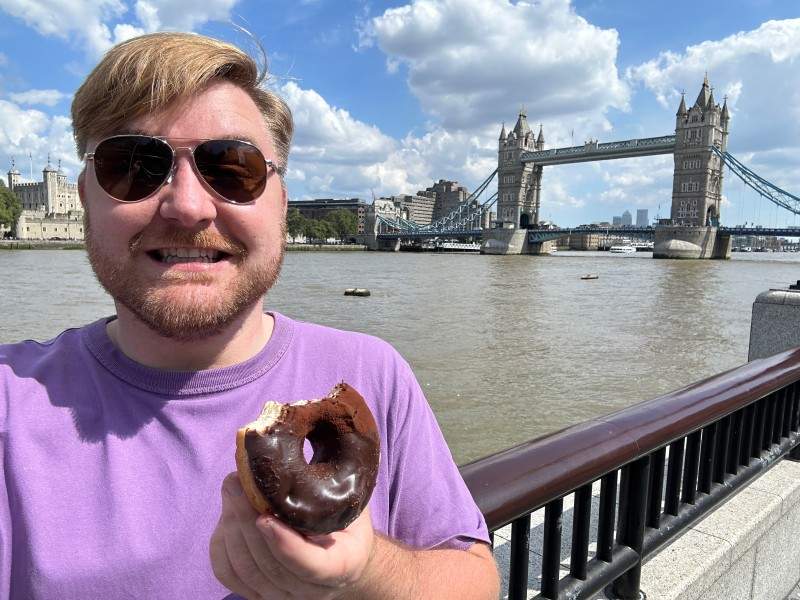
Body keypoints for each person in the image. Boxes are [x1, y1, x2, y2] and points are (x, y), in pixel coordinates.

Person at [0, 32, 499, 599]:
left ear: (280, 204)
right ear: (87, 196)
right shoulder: (7, 403)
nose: (187, 206)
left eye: (232, 168)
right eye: (134, 167)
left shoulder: (374, 374)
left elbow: (476, 583)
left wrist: (366, 575)